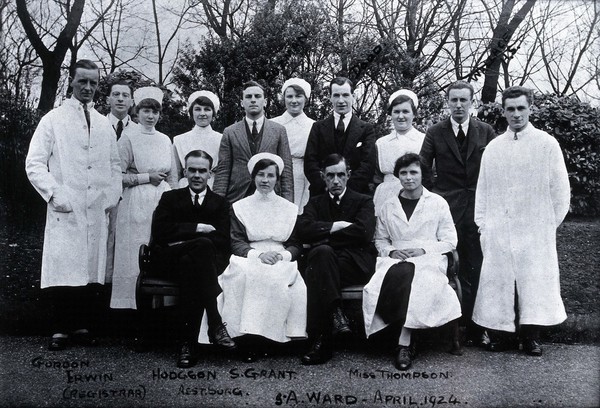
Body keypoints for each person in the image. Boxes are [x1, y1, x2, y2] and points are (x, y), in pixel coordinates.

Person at [25, 59, 122, 350]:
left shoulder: (104, 124)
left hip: (95, 206)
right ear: (71, 81)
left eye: (93, 82)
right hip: (65, 207)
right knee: (65, 266)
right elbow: (34, 163)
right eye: (83, 81)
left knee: (90, 269)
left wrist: (110, 196)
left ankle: (81, 326)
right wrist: (55, 194)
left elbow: (115, 166)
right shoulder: (53, 119)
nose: (88, 88)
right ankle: (60, 329)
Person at [473, 86, 570, 356]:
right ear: (503, 111)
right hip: (499, 227)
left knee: (534, 280)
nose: (516, 114)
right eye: (510, 109)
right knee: (499, 280)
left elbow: (561, 191)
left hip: (535, 227)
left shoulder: (546, 144)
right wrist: (484, 225)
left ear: (530, 109)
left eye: (521, 108)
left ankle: (531, 336)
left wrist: (548, 224)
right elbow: (483, 189)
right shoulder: (494, 148)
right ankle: (501, 334)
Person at [201, 153, 306, 362]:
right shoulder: (241, 207)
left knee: (277, 279)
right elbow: (236, 241)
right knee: (245, 276)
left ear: (277, 178)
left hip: (279, 257)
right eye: (261, 175)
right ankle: (247, 339)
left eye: (270, 175)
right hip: (249, 255)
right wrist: (258, 255)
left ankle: (273, 338)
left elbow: (295, 244)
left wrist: (283, 255)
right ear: (253, 177)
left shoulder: (289, 209)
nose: (265, 180)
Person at [363, 153, 462, 371]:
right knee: (399, 273)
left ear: (423, 174)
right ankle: (404, 336)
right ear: (397, 176)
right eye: (404, 173)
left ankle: (404, 341)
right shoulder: (388, 206)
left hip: (429, 258)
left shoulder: (437, 203)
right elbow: (380, 238)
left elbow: (450, 240)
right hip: (396, 258)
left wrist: (423, 249)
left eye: (413, 172)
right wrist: (390, 252)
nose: (409, 178)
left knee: (416, 277)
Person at [419, 80, 496, 346]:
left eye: (464, 100)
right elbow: (423, 169)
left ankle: (477, 328)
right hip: (447, 209)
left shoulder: (486, 131)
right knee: (446, 266)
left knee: (477, 267)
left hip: (478, 210)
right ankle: (446, 327)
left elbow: (496, 169)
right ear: (447, 102)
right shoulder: (435, 132)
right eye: (454, 100)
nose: (459, 105)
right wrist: (435, 200)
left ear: (472, 102)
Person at [150, 150, 236, 368]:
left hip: (203, 264)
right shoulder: (170, 197)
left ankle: (187, 345)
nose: (197, 175)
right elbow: (160, 232)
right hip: (170, 261)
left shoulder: (220, 203)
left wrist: (182, 236)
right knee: (203, 245)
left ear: (210, 174)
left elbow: (223, 238)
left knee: (192, 263)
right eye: (192, 170)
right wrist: (197, 228)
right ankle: (215, 323)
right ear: (185, 172)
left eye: (202, 171)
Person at [296, 154, 377, 365]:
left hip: (355, 263)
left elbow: (364, 233)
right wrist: (335, 227)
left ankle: (321, 340)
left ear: (348, 175)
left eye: (341, 175)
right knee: (322, 257)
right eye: (330, 176)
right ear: (323, 177)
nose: (336, 181)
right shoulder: (315, 203)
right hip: (328, 263)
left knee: (320, 258)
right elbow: (303, 230)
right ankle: (334, 315)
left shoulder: (363, 201)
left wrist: (324, 236)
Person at [110, 86, 178, 310]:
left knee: (161, 248)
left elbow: (174, 176)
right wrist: (145, 177)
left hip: (163, 201)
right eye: (146, 111)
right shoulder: (128, 138)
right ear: (137, 112)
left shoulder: (165, 139)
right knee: (135, 252)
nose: (150, 116)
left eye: (155, 112)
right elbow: (116, 175)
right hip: (136, 201)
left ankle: (161, 307)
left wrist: (175, 203)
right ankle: (132, 306)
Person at [212, 80, 294, 203]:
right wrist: (217, 204)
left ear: (265, 102)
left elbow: (286, 171)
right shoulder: (230, 132)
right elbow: (223, 171)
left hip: (270, 198)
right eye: (248, 97)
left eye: (257, 96)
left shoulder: (279, 131)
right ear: (242, 103)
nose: (253, 100)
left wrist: (288, 204)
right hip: (237, 197)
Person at [304, 76, 376, 196]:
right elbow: (310, 163)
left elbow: (368, 165)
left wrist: (346, 191)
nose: (341, 100)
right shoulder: (318, 127)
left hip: (356, 196)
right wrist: (327, 186)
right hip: (322, 194)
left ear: (353, 96)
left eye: (345, 95)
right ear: (330, 98)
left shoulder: (366, 129)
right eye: (336, 95)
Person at [105, 79, 139, 282]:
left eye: (125, 95)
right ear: (108, 98)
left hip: (128, 196)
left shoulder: (138, 130)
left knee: (123, 241)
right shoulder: (97, 126)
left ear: (132, 101)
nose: (120, 99)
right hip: (100, 192)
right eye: (115, 94)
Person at [373, 89, 425, 214]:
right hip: (385, 197)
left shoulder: (424, 140)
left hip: (416, 196)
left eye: (405, 111)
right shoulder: (381, 143)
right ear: (391, 114)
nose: (400, 116)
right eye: (396, 112)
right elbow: (376, 177)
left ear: (414, 114)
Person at [272, 78, 315, 213]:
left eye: (298, 96)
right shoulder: (273, 124)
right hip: (276, 172)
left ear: (306, 99)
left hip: (302, 174)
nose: (294, 101)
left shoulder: (313, 126)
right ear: (284, 98)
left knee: (298, 212)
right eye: (289, 96)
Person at [173, 90, 222, 188]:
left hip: (213, 187)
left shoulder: (222, 139)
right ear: (191, 112)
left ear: (213, 113)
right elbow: (175, 174)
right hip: (186, 187)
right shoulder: (179, 140)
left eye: (207, 109)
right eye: (198, 109)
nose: (202, 113)